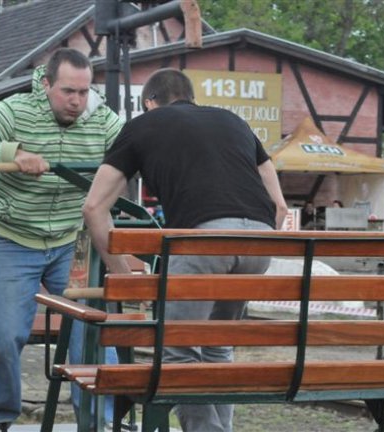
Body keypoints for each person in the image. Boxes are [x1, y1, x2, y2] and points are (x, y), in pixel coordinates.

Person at [82, 68, 288, 432]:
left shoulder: (143, 125)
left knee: (179, 352)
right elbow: (280, 206)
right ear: (191, 97)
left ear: (149, 103)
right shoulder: (233, 121)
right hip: (260, 240)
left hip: (202, 239)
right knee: (217, 346)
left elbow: (94, 207)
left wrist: (124, 276)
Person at [0, 48, 123, 431]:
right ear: (46, 84)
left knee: (92, 331)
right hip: (11, 237)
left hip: (72, 239)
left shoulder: (102, 118)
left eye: (83, 92)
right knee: (3, 335)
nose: (77, 101)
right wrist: (14, 152)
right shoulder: (15, 110)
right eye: (68, 91)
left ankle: (102, 421)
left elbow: (133, 147)